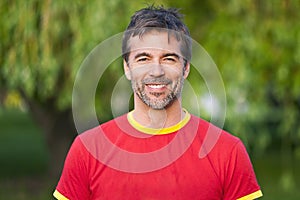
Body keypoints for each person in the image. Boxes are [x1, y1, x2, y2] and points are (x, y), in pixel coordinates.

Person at [53, 6, 263, 200]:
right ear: (127, 68)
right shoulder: (88, 150)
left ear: (186, 68)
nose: (156, 71)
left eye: (169, 58)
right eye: (143, 59)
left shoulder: (227, 152)